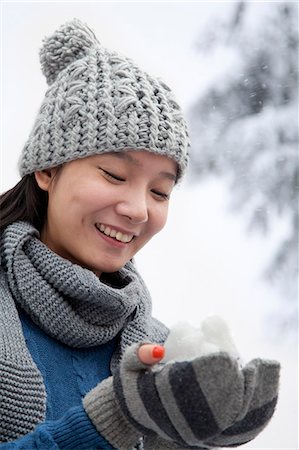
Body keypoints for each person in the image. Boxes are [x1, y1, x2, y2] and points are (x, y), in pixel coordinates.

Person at [0, 19, 280, 450]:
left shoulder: (159, 354)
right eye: (114, 174)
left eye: (160, 191)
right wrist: (114, 416)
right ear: (47, 168)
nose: (137, 209)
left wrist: (192, 435)